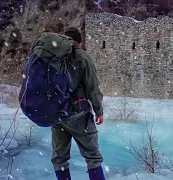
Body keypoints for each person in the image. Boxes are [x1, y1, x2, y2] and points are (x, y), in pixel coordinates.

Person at [51, 27, 106, 180]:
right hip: (78, 114)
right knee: (93, 157)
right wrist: (99, 111)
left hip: (56, 114)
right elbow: (93, 88)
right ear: (80, 43)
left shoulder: (52, 55)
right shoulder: (82, 56)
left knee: (59, 158)